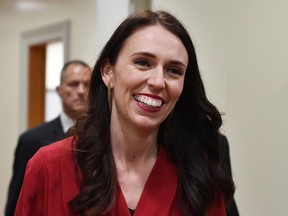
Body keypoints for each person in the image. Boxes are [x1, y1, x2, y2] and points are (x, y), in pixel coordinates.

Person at [15, 10, 235, 216]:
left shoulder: (201, 179)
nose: (158, 82)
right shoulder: (49, 168)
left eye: (173, 70)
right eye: (142, 62)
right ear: (108, 72)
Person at [5, 60, 91, 216]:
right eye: (73, 84)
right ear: (59, 90)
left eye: (87, 84)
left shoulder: (105, 137)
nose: (81, 91)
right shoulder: (31, 140)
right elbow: (17, 202)